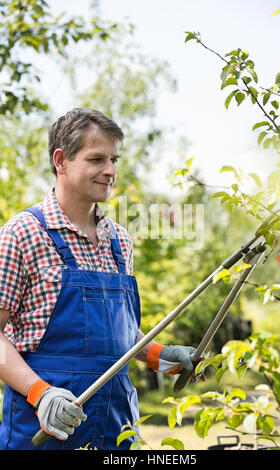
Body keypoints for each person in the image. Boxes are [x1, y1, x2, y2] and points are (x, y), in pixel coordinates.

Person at [0, 108, 201, 450]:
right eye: (97, 159)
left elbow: (118, 330)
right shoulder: (22, 234)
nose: (110, 171)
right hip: (44, 428)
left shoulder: (119, 240)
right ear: (61, 160)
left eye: (114, 159)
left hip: (117, 424)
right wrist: (40, 393)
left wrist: (156, 355)